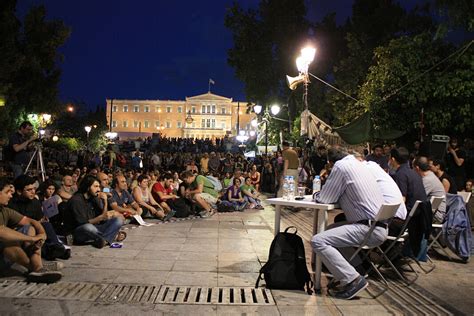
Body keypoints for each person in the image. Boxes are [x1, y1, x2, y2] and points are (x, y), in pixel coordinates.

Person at [311, 147, 386, 300]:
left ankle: (353, 279)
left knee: (318, 241)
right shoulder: (359, 165)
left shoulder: (341, 166)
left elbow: (325, 198)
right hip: (379, 225)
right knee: (330, 230)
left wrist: (316, 194)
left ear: (331, 162)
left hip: (367, 228)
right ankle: (355, 269)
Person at [0, 177, 63, 283]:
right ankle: (35, 267)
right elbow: (1, 232)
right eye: (7, 192)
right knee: (7, 243)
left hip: (15, 251)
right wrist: (32, 239)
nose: (10, 195)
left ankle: (38, 267)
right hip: (6, 250)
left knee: (31, 227)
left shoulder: (5, 210)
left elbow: (30, 221)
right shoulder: (12, 204)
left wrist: (42, 234)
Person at [8, 175, 70, 261]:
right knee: (31, 231)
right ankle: (54, 250)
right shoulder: (11, 203)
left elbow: (40, 219)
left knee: (46, 225)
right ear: (19, 191)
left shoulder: (34, 202)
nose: (33, 192)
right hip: (20, 233)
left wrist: (41, 221)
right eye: (29, 190)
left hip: (37, 230)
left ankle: (56, 246)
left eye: (34, 189)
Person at [65, 175, 125, 248]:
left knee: (118, 220)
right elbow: (83, 223)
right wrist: (101, 218)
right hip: (78, 231)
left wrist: (105, 201)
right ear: (88, 187)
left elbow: (103, 218)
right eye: (95, 186)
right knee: (88, 227)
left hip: (95, 228)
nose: (98, 189)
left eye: (99, 186)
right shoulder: (76, 200)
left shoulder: (93, 198)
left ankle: (104, 240)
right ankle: (111, 236)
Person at [413, 156, 447, 222]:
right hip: (433, 212)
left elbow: (417, 197)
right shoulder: (431, 176)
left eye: (412, 168)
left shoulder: (427, 180)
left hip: (436, 215)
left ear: (417, 168)